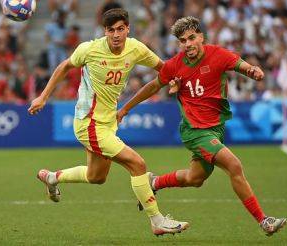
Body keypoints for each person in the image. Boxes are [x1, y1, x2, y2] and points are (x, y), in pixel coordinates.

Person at [117, 16, 287, 237]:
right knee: (234, 165)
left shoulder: (218, 54)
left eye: (191, 38)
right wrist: (125, 109)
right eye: (182, 40)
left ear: (201, 37)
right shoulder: (174, 66)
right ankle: (264, 220)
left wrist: (252, 70)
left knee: (195, 179)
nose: (187, 44)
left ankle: (154, 181)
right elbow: (152, 87)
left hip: (215, 128)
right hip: (195, 130)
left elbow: (240, 65)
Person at [28, 8, 189, 236]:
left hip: (107, 122)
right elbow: (64, 66)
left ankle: (52, 178)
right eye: (111, 30)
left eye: (120, 29)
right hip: (89, 123)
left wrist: (175, 80)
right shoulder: (90, 49)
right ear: (105, 31)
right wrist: (43, 96)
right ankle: (157, 220)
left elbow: (163, 67)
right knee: (138, 164)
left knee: (97, 177)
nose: (116, 34)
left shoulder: (135, 48)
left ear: (127, 29)